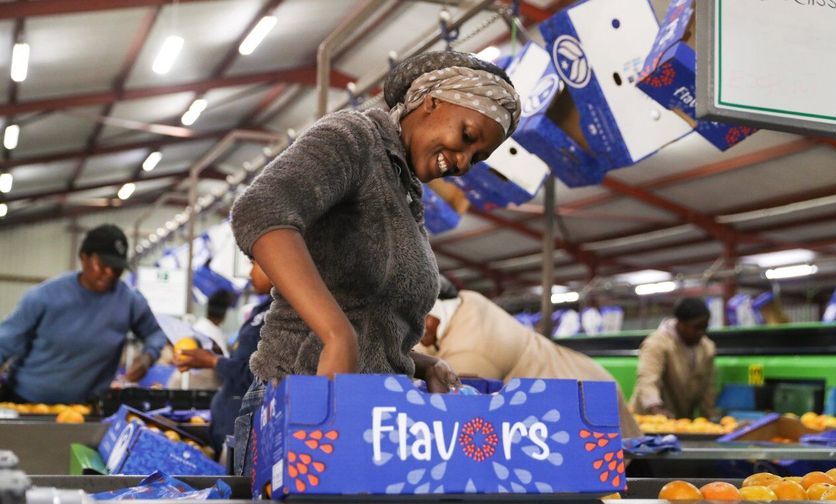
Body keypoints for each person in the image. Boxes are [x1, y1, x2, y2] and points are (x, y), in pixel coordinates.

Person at [228, 50, 521, 475]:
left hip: (371, 414)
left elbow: (368, 314)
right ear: (430, 101)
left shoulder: (405, 191)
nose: (462, 163)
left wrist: (421, 363)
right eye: (467, 136)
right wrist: (336, 336)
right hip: (300, 401)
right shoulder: (354, 138)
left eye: (477, 158)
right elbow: (259, 210)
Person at [415, 282, 641, 438]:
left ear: (434, 316)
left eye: (420, 320)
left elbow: (457, 415)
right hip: (577, 387)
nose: (414, 330)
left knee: (604, 474)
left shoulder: (472, 346)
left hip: (582, 398)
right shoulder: (462, 306)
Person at [0, 224, 166, 404]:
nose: (110, 273)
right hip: (26, 403)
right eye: (102, 265)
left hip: (88, 409)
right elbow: (4, 343)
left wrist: (147, 358)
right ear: (83, 257)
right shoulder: (44, 297)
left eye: (117, 267)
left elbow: (155, 333)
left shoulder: (130, 301)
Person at [173, 262, 273, 452]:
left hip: (245, 432)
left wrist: (212, 361)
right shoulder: (261, 311)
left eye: (254, 263)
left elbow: (257, 374)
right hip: (229, 424)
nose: (249, 272)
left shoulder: (280, 316)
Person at [631, 297, 717, 419]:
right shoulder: (657, 344)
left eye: (705, 327)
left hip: (680, 421)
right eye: (696, 327)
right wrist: (656, 408)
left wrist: (711, 418)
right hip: (649, 419)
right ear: (681, 323)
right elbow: (647, 380)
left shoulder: (707, 348)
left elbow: (708, 389)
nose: (701, 332)